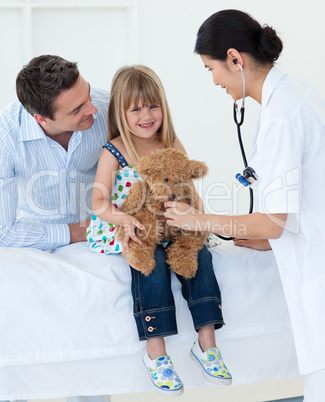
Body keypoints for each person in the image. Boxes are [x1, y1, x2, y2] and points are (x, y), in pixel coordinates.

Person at [164, 9, 325, 402]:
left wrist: (197, 218)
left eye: (210, 69)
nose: (215, 80)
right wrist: (272, 240)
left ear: (235, 59)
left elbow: (272, 221)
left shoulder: (282, 117)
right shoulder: (293, 98)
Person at [86, 65, 232, 396]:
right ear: (121, 113)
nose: (146, 115)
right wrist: (124, 221)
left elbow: (189, 191)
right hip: (135, 225)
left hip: (173, 223)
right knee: (148, 259)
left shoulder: (172, 143)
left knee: (198, 255)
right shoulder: (115, 149)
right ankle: (156, 351)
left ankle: (206, 343)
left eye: (153, 106)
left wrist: (201, 222)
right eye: (135, 109)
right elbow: (97, 200)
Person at [0, 55, 110, 402]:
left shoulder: (107, 108)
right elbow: (1, 232)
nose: (91, 108)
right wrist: (75, 231)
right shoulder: (6, 136)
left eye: (88, 94)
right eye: (77, 109)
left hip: (99, 246)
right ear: (41, 118)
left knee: (91, 358)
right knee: (21, 356)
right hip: (36, 246)